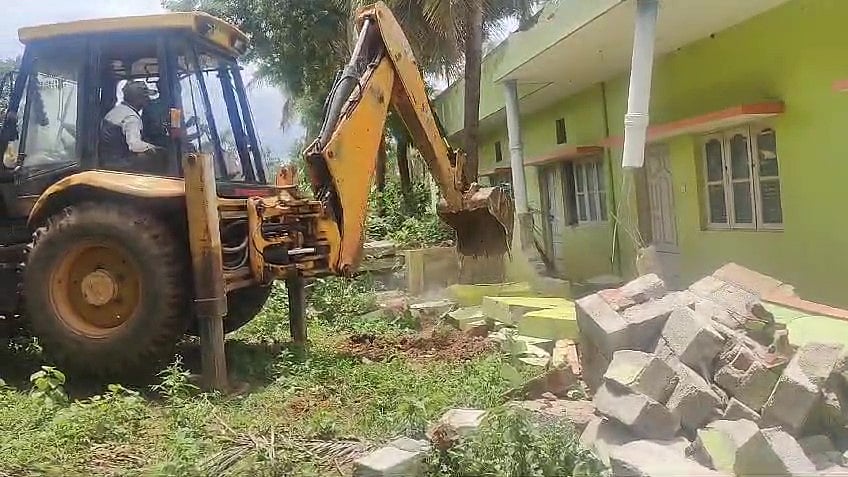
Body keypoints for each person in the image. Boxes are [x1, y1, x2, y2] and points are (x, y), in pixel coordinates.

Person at [99, 80, 159, 172]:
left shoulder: (116, 111)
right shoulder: (131, 118)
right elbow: (134, 145)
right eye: (145, 97)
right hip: (119, 163)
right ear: (138, 99)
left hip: (107, 159)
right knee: (156, 160)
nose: (147, 100)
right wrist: (154, 148)